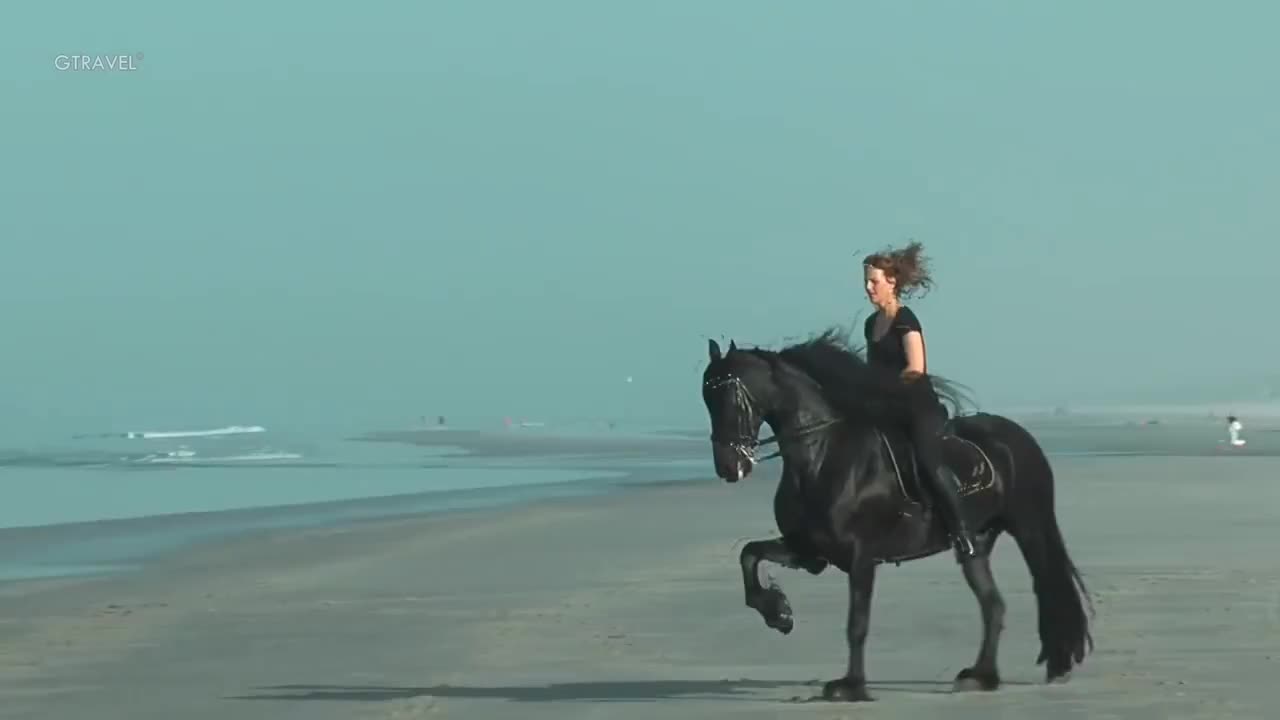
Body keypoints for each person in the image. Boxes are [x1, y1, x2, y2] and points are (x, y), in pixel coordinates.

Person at [862, 241, 977, 557]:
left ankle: (961, 531)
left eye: (874, 281)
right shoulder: (871, 325)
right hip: (886, 410)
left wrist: (887, 391)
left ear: (892, 282)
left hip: (917, 409)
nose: (869, 288)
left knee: (927, 463)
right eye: (866, 282)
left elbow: (916, 368)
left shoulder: (905, 319)